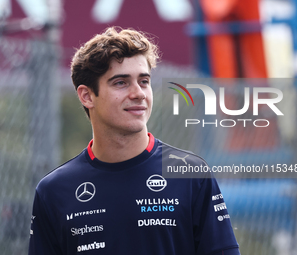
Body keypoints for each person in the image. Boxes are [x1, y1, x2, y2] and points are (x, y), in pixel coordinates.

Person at [28, 27, 240, 255]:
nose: (138, 93)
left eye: (144, 81)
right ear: (87, 96)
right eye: (121, 82)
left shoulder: (191, 174)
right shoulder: (54, 190)